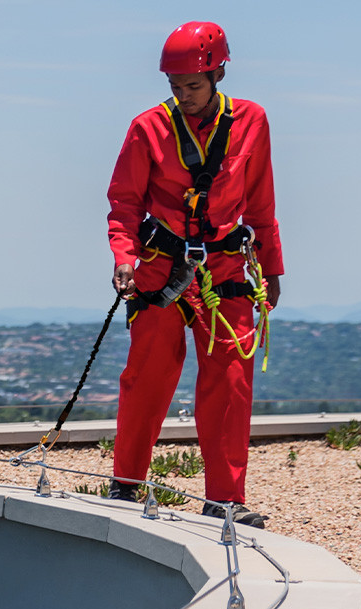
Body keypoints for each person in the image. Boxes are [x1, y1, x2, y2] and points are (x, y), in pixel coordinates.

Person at [106, 20, 282, 527]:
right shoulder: (148, 128)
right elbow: (124, 204)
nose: (183, 96)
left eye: (193, 86)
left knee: (230, 382)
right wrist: (124, 258)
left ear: (219, 73)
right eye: (175, 87)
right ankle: (127, 485)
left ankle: (225, 499)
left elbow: (262, 203)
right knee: (147, 378)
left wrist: (271, 267)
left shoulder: (252, 121)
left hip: (225, 269)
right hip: (160, 272)